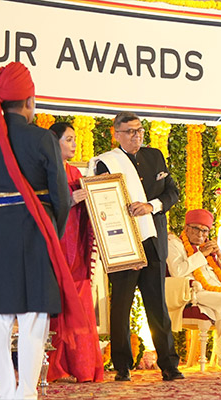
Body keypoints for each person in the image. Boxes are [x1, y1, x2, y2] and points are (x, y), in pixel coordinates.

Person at [0, 62, 74, 400]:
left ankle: (3, 392)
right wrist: (54, 231)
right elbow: (61, 196)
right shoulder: (42, 138)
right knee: (34, 316)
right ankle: (25, 394)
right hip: (37, 231)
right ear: (29, 101)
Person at [89, 111, 183, 381]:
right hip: (124, 243)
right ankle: (122, 366)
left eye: (139, 130)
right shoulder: (106, 163)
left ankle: (169, 365)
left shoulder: (155, 156)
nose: (136, 136)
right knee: (121, 305)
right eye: (130, 131)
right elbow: (104, 203)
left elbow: (172, 192)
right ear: (116, 134)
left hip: (153, 240)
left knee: (158, 306)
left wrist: (151, 206)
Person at [46, 122, 104, 382]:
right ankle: (55, 367)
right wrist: (70, 200)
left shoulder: (75, 172)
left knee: (80, 305)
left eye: (75, 139)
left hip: (77, 247)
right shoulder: (44, 171)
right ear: (54, 141)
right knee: (58, 305)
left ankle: (83, 367)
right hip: (56, 248)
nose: (74, 144)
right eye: (68, 139)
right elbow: (41, 208)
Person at [167, 209, 221, 360]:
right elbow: (177, 271)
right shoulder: (174, 244)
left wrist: (218, 255)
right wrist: (201, 255)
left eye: (205, 231)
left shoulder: (209, 248)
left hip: (215, 290)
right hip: (194, 291)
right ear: (186, 228)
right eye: (196, 229)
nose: (200, 234)